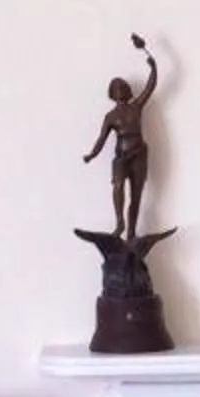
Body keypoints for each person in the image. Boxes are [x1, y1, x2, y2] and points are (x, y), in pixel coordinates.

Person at [75, 33, 159, 243]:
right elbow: (101, 140)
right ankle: (119, 222)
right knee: (118, 186)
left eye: (123, 86)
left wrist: (153, 67)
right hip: (122, 157)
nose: (120, 89)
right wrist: (91, 155)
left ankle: (131, 231)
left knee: (137, 195)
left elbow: (150, 86)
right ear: (112, 93)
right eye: (117, 87)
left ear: (127, 90)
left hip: (139, 154)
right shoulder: (111, 117)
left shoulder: (136, 107)